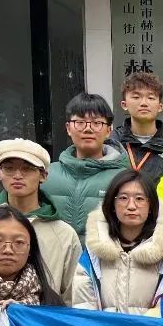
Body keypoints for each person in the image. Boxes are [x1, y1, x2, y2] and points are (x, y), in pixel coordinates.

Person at [0, 139, 80, 305]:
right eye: (9, 168)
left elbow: (73, 298)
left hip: (43, 318)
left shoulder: (64, 234)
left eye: (27, 168)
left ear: (43, 175)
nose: (17, 175)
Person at [73, 169, 163, 314]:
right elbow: (83, 306)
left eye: (139, 199)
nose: (131, 206)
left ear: (151, 206)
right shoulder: (93, 253)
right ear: (113, 205)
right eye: (123, 198)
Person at [43, 92, 130, 239]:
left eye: (97, 123)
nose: (88, 129)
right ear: (68, 128)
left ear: (108, 130)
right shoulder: (46, 174)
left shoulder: (124, 178)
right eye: (80, 122)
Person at [112, 71, 163, 185]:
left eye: (151, 98)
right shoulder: (113, 141)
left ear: (160, 107)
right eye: (136, 97)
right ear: (124, 104)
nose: (144, 103)